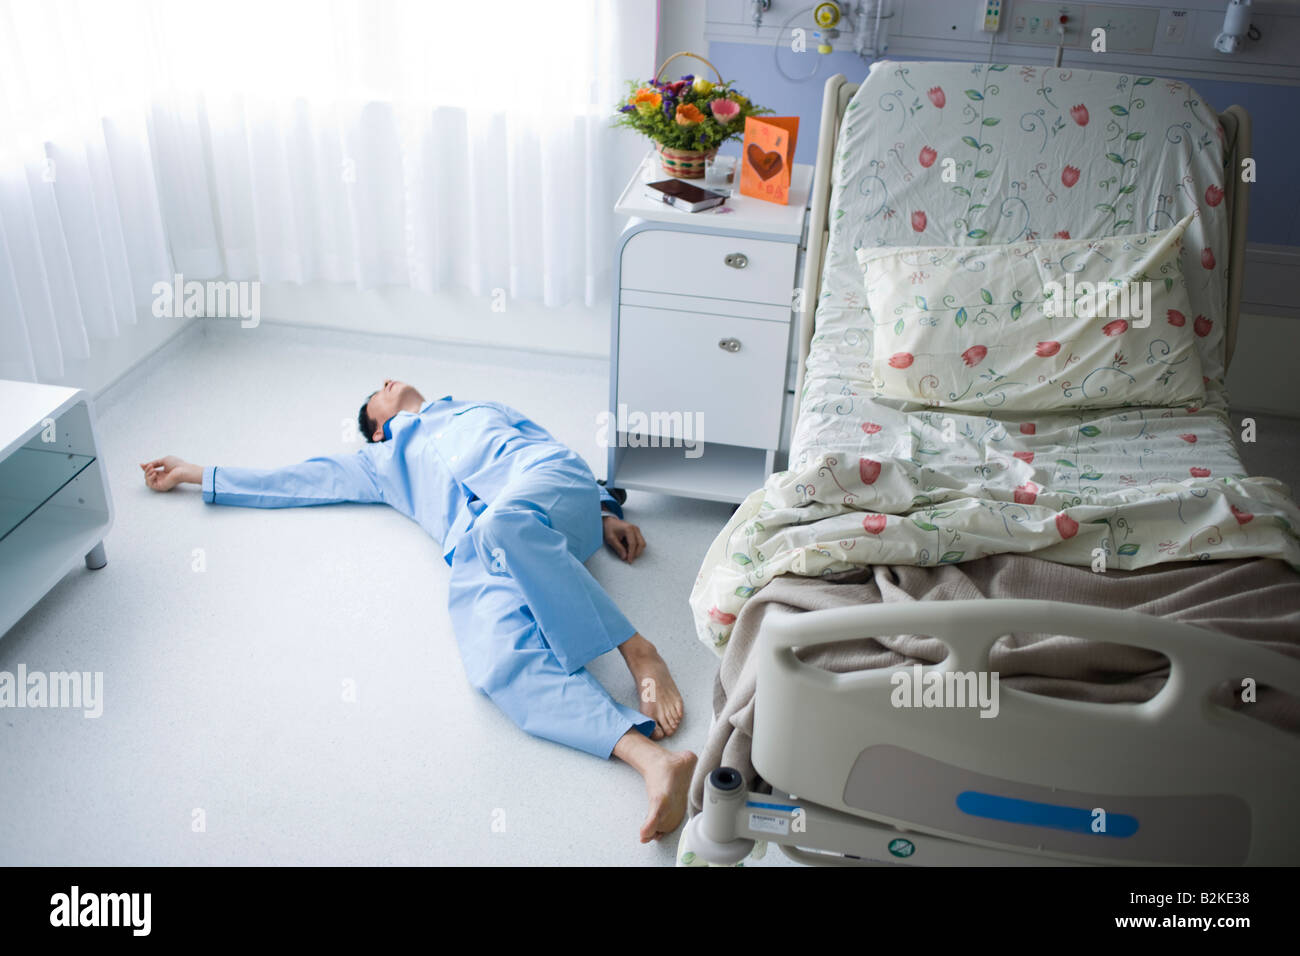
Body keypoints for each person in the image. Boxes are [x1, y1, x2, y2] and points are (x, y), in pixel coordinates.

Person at [141, 380, 696, 842]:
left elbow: (547, 443)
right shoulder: (379, 460)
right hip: (481, 548)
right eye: (374, 394)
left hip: (546, 486)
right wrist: (196, 472)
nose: (386, 383)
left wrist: (604, 512)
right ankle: (651, 761)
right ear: (378, 428)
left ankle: (638, 652)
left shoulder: (478, 406)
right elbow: (297, 480)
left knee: (509, 521)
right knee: (493, 659)